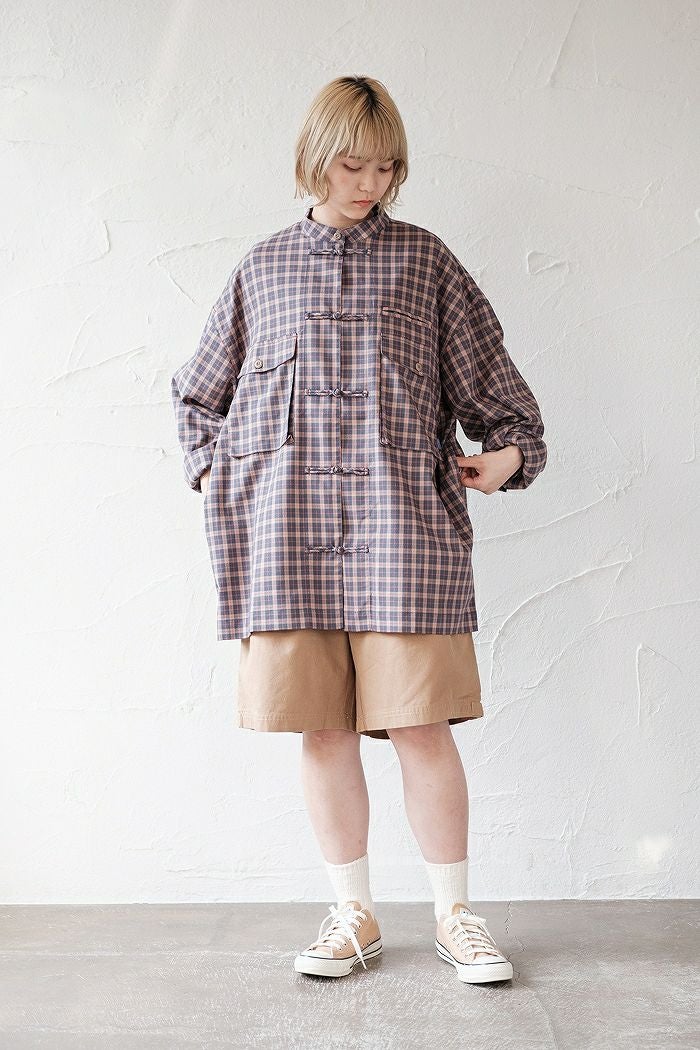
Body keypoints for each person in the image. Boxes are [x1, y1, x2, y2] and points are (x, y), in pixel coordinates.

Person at [171, 75, 547, 985]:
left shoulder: (426, 264)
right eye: (352, 165)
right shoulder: (263, 269)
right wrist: (227, 477)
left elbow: (502, 402)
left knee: (421, 727)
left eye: (386, 168)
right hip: (288, 545)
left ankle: (456, 916)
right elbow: (197, 398)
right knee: (324, 733)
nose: (370, 184)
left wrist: (507, 457)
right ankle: (354, 915)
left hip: (404, 538)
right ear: (314, 158)